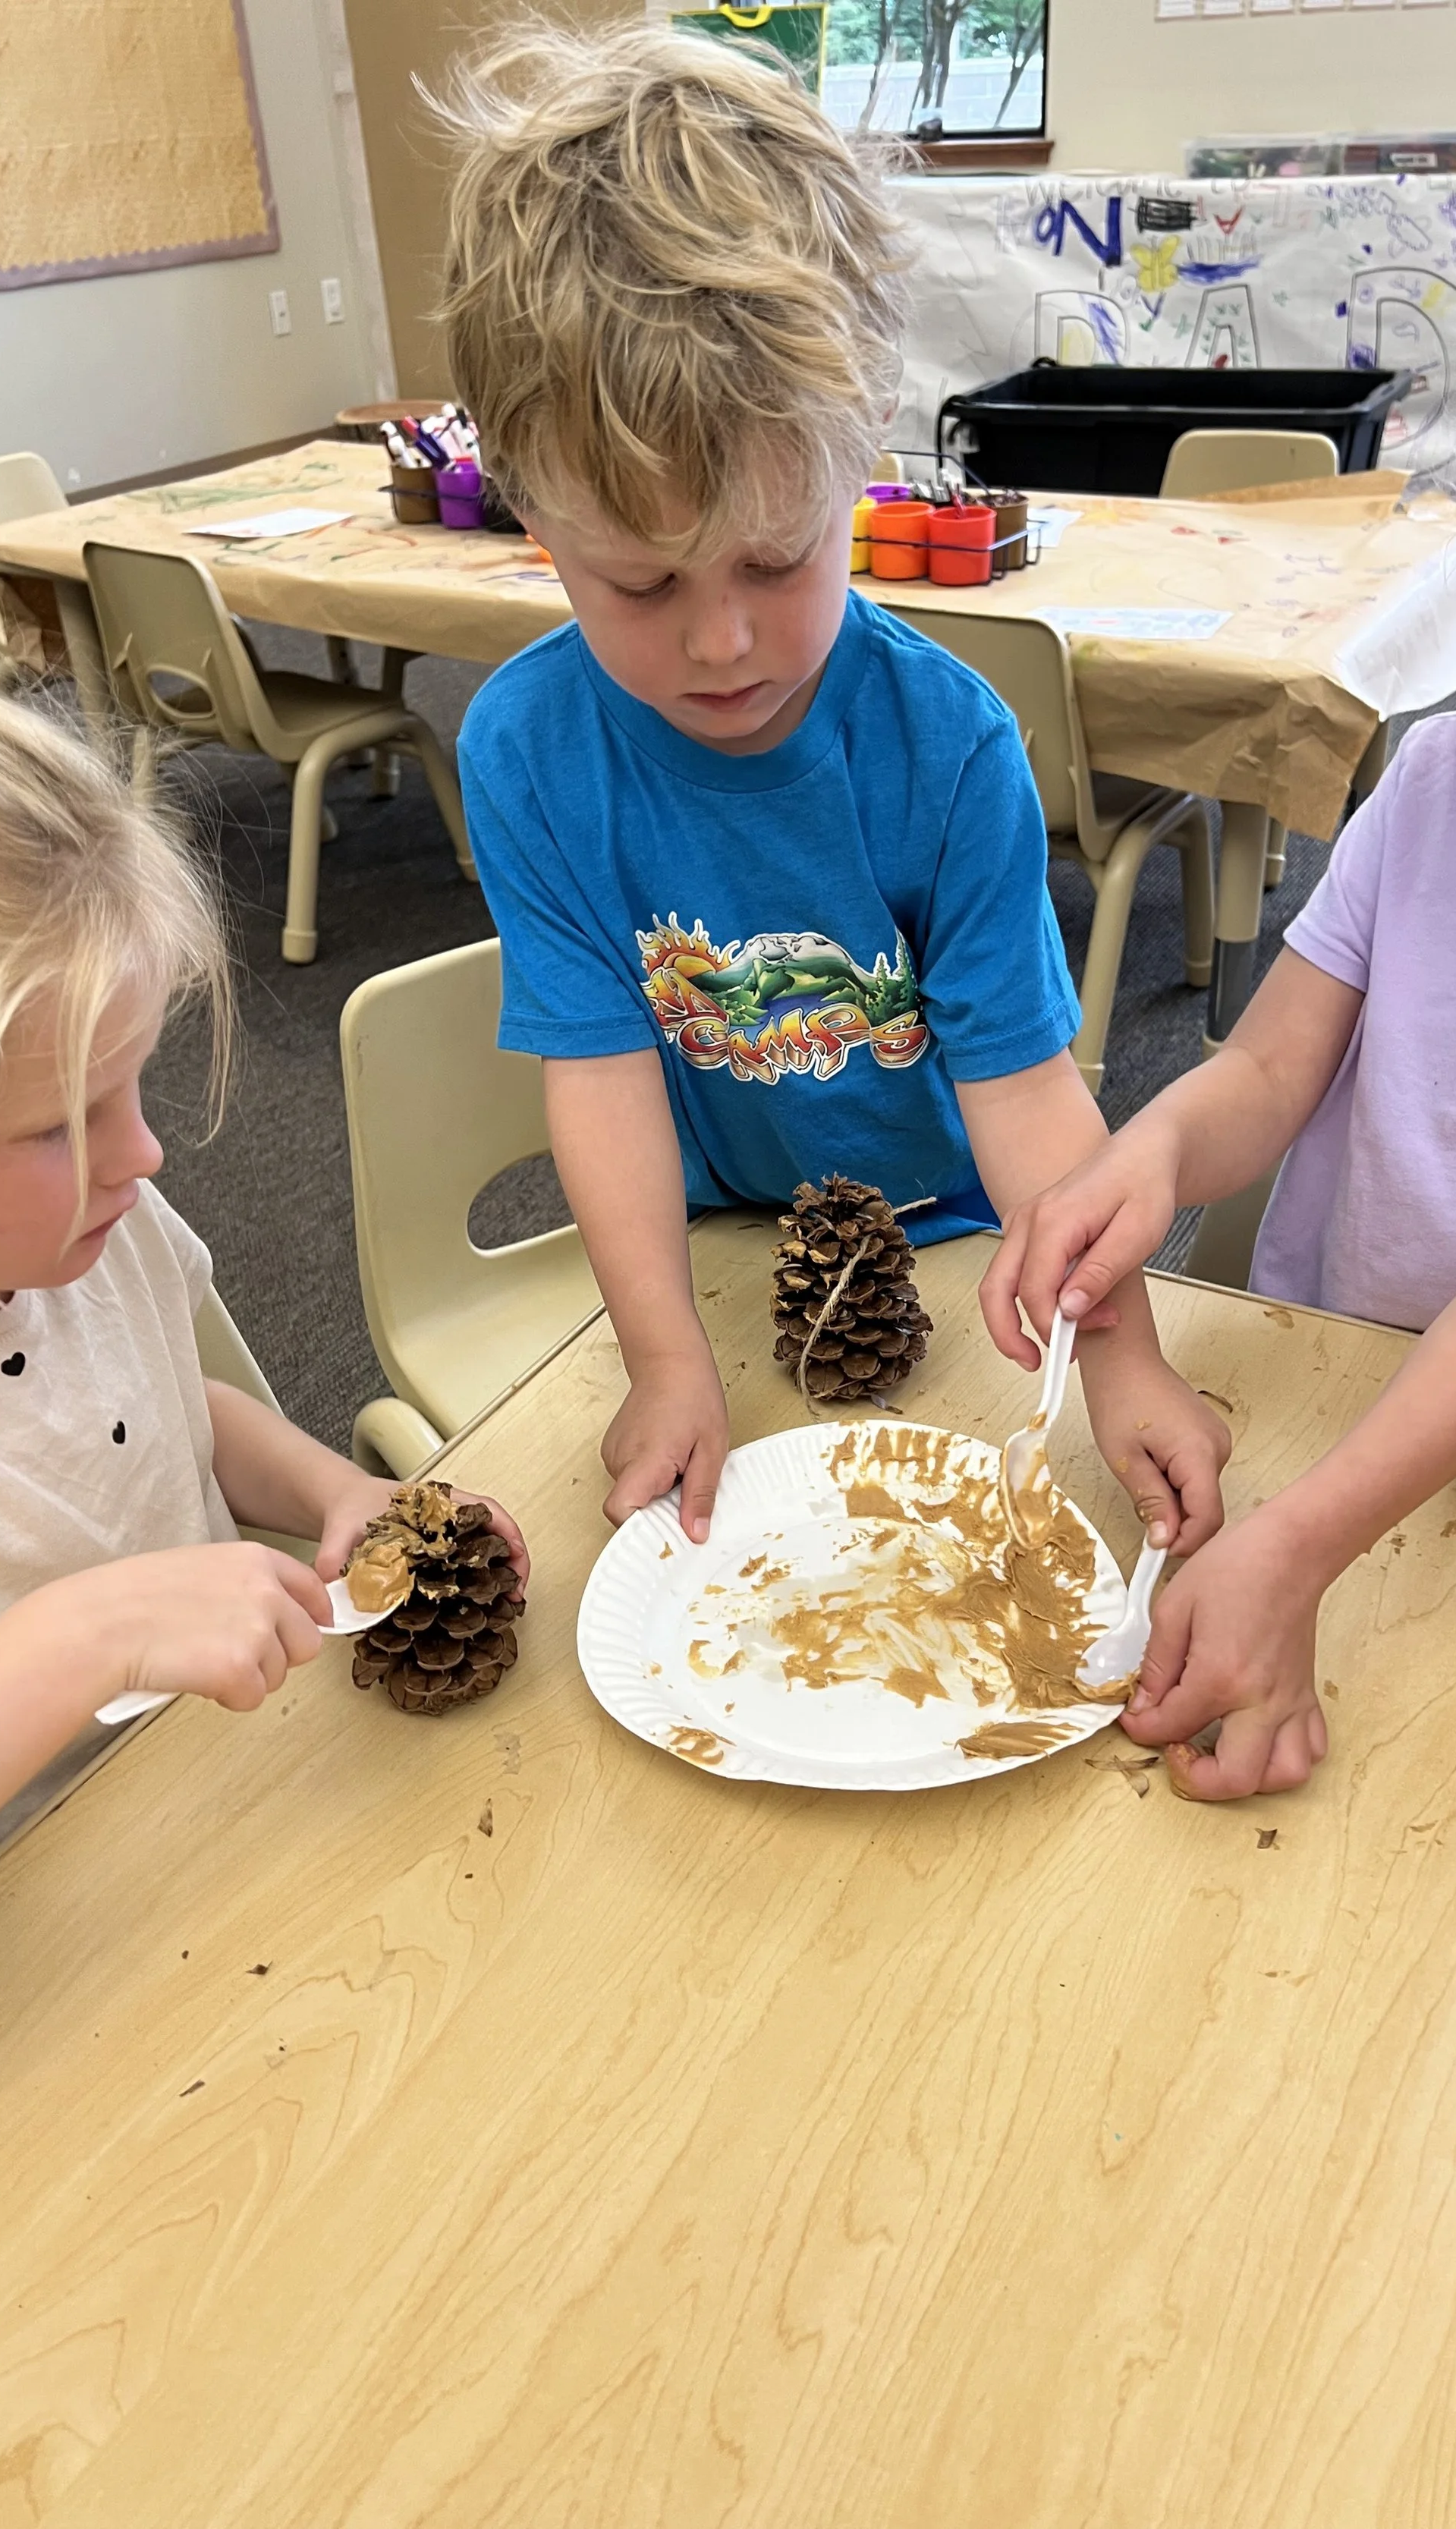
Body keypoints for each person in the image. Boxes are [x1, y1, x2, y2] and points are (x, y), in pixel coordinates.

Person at [432, 20, 1229, 1550]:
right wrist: (662, 1357)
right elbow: (596, 1080)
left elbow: (1022, 1090)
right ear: (530, 512)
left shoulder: (949, 744)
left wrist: (1125, 1364)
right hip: (721, 1256)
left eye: (776, 556)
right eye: (640, 580)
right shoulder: (525, 750)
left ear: (860, 449)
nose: (721, 643)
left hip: (962, 1251)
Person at [983, 215, 1456, 1805]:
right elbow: (1261, 1068)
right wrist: (1148, 1161)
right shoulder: (1433, 789)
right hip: (1333, 1407)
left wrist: (1304, 1541)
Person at [0, 642, 527, 2001]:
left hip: (226, 1813)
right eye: (56, 1123)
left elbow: (163, 1407)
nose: (141, 1154)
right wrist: (76, 1642)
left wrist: (327, 1486)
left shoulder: (87, 1228)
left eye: (129, 1085)